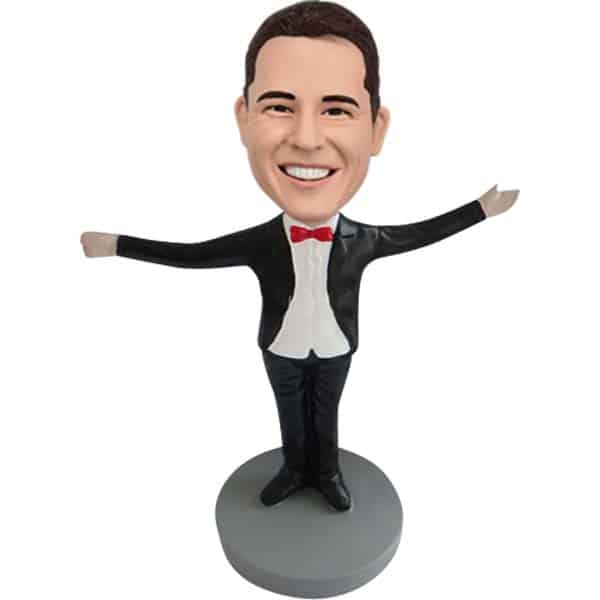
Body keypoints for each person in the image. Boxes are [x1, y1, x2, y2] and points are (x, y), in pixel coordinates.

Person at [81, 1, 518, 511]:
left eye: (336, 109)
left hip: (336, 346)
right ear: (244, 119)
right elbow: (191, 255)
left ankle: (327, 473)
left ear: (376, 129)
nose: (308, 141)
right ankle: (293, 469)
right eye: (280, 107)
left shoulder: (364, 239)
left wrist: (480, 210)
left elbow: (423, 233)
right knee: (289, 412)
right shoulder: (260, 241)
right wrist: (117, 245)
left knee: (326, 413)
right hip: (280, 347)